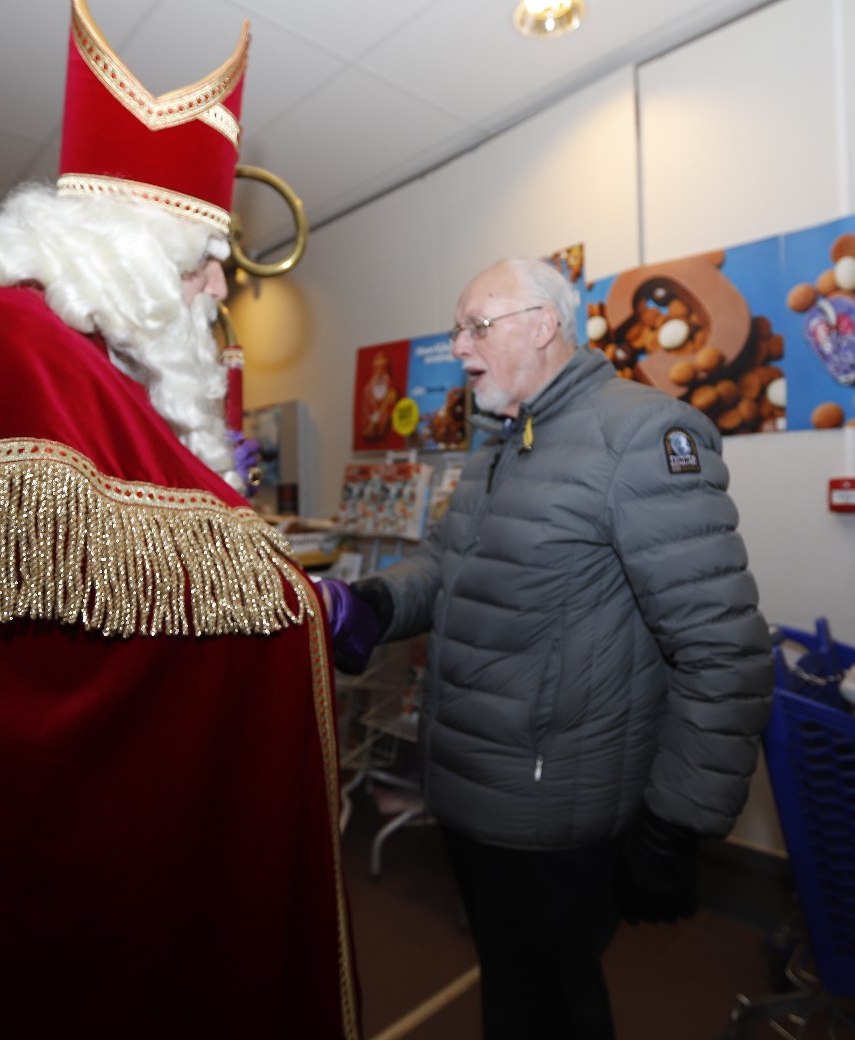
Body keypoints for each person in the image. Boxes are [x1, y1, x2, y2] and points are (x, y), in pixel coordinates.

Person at [0, 4, 359, 1037]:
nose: (217, 288)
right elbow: (48, 654)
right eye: (203, 261)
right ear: (128, 253)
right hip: (21, 850)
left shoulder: (88, 364)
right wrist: (305, 610)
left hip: (75, 844)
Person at [322, 257, 773, 1039]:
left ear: (544, 325)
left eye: (476, 326)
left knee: (549, 1010)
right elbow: (447, 564)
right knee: (516, 995)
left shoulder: (641, 434)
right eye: (457, 329)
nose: (459, 347)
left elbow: (722, 649)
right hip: (472, 790)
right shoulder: (499, 440)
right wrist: (367, 605)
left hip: (552, 811)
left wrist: (676, 824)